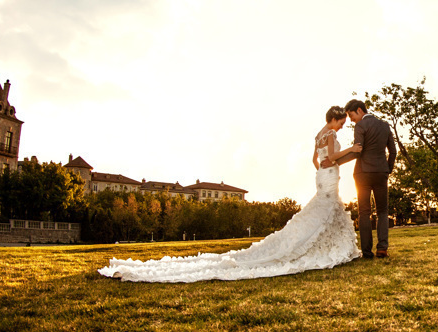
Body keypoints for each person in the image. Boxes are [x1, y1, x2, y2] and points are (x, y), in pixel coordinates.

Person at [97, 106, 362, 282]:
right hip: (329, 177)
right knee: (326, 211)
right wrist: (352, 149)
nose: (342, 126)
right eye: (342, 122)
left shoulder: (317, 134)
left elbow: (316, 161)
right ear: (335, 118)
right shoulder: (329, 133)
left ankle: (326, 244)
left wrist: (325, 167)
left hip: (321, 176)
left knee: (322, 212)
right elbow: (334, 155)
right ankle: (330, 248)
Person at [335, 99, 396, 259]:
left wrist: (336, 162)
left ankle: (367, 252)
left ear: (360, 110)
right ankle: (382, 248)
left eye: (351, 114)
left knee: (364, 212)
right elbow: (393, 151)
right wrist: (388, 168)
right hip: (381, 172)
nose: (350, 118)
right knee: (383, 211)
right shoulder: (385, 126)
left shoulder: (361, 126)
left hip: (363, 173)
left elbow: (357, 151)